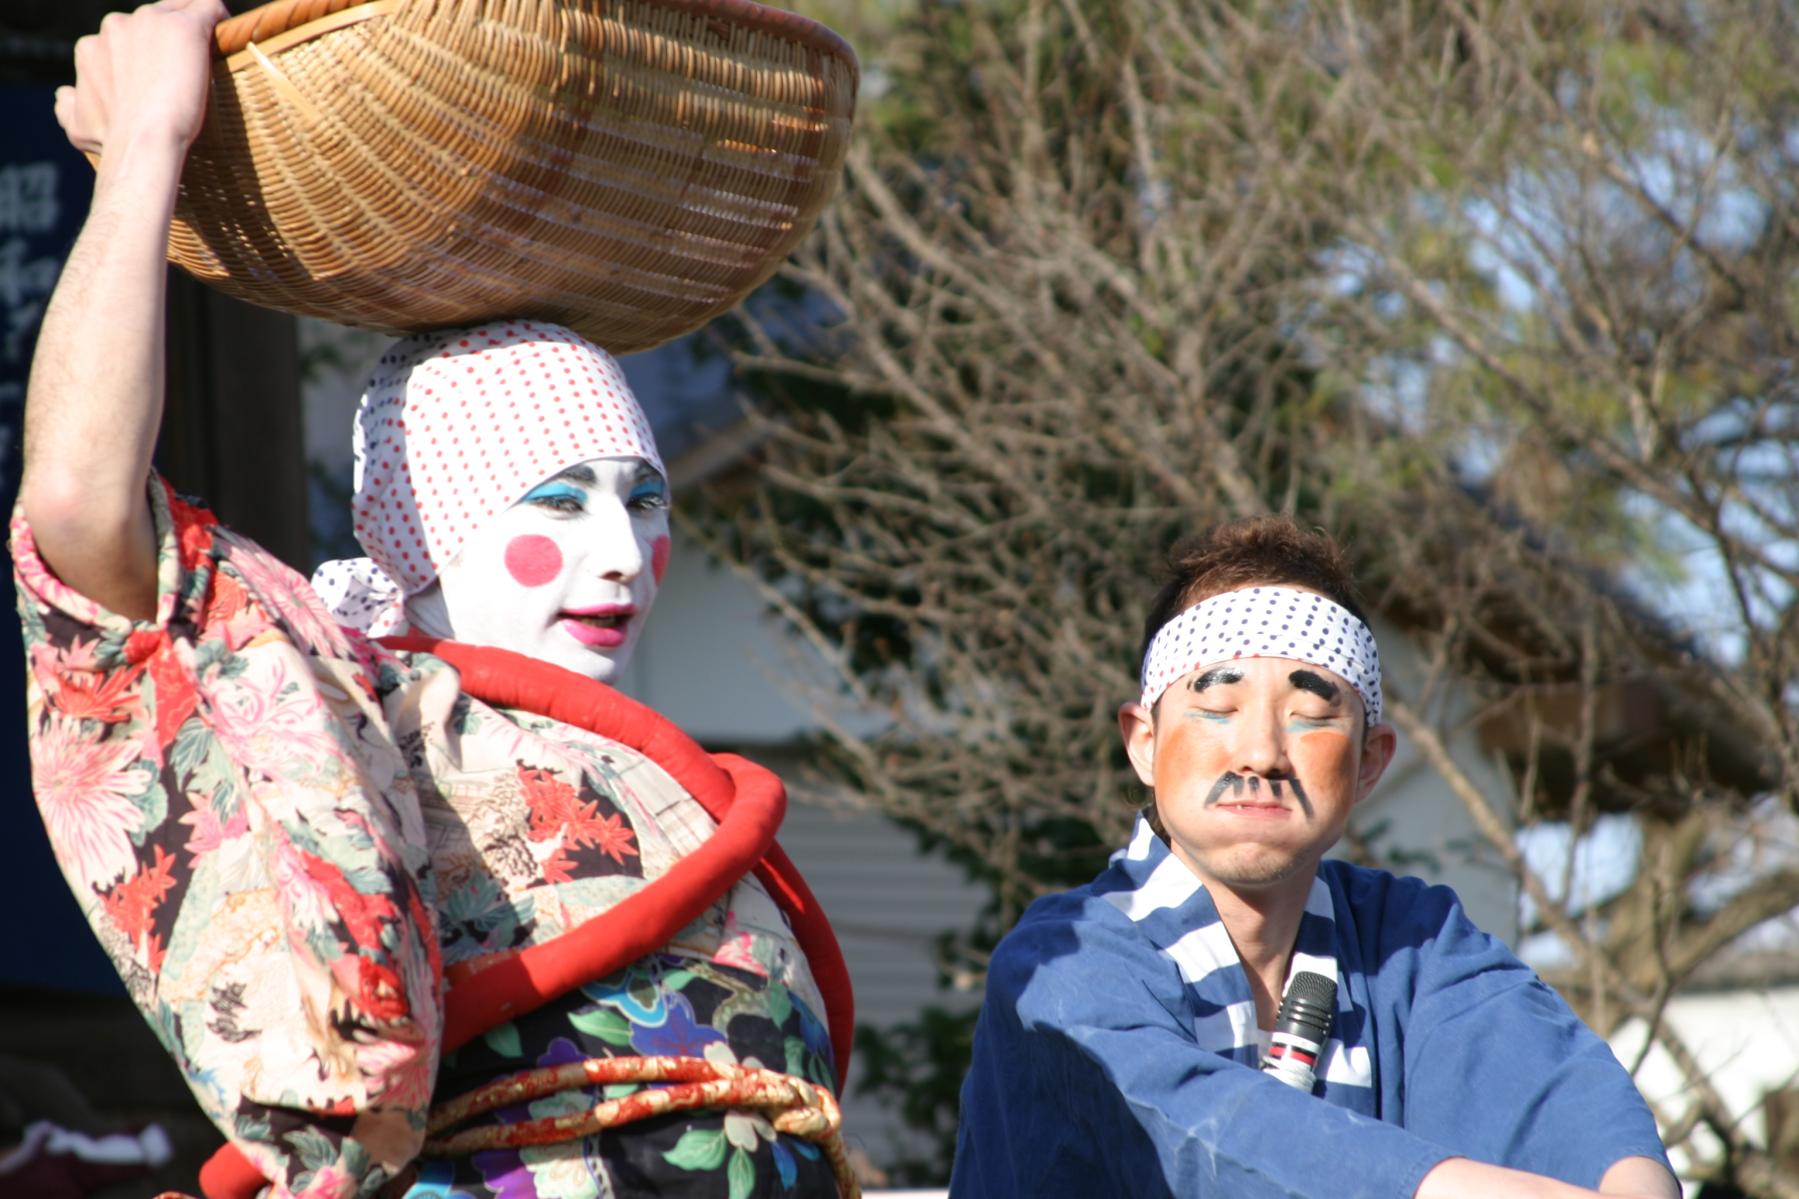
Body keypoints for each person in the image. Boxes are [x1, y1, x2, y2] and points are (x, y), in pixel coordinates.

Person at [15, 2, 850, 1197]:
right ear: (417, 527)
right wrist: (148, 145)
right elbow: (82, 509)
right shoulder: (355, 701)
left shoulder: (675, 777)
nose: (619, 552)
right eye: (559, 504)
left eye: (645, 501)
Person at [949, 516, 1679, 1199]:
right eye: (1217, 707)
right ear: (1143, 740)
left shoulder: (1411, 943)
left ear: (1370, 761)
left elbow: (1562, 1094)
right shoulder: (1061, 964)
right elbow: (1200, 1130)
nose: (1260, 752)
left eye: (1309, 714)